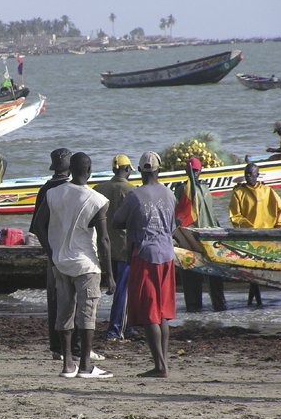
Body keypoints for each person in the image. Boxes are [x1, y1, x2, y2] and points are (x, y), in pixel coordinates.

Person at [33, 152, 115, 379]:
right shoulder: (97, 200)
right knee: (87, 315)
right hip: (86, 265)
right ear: (89, 172)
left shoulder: (53, 193)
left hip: (61, 263)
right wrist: (109, 274)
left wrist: (52, 253)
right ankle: (86, 365)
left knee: (65, 312)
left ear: (69, 169)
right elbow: (104, 240)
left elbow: (38, 226)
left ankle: (68, 364)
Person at [113, 151, 176, 378]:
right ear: (158, 170)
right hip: (167, 255)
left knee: (150, 312)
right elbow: (173, 225)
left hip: (145, 255)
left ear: (139, 171)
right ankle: (164, 362)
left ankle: (160, 366)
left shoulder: (134, 196)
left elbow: (116, 221)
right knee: (163, 313)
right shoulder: (170, 194)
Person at [28, 148, 87, 362]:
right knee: (77, 300)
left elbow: (36, 226)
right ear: (70, 169)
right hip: (74, 250)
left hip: (53, 251)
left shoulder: (45, 189)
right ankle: (76, 349)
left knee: (55, 302)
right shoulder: (74, 189)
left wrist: (50, 251)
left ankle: (57, 348)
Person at [174, 158, 227, 312]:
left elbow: (211, 213)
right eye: (191, 171)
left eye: (196, 171)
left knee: (214, 273)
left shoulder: (205, 188)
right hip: (190, 237)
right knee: (190, 271)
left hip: (209, 236)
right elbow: (179, 214)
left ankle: (219, 305)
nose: (194, 174)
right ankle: (193, 306)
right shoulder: (182, 189)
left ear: (201, 171)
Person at [228, 163, 281, 305]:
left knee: (255, 272)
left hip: (265, 237)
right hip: (248, 237)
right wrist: (248, 228)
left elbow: (279, 210)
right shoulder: (238, 192)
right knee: (252, 271)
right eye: (246, 173)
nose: (248, 176)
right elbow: (235, 215)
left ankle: (254, 302)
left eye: (251, 174)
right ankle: (257, 302)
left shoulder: (268, 191)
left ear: (257, 175)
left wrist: (277, 229)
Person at [94, 155, 136, 341]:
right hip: (123, 250)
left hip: (100, 249)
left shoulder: (98, 189)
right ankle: (114, 329)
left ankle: (125, 327)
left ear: (113, 170)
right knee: (122, 292)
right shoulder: (132, 191)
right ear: (127, 170)